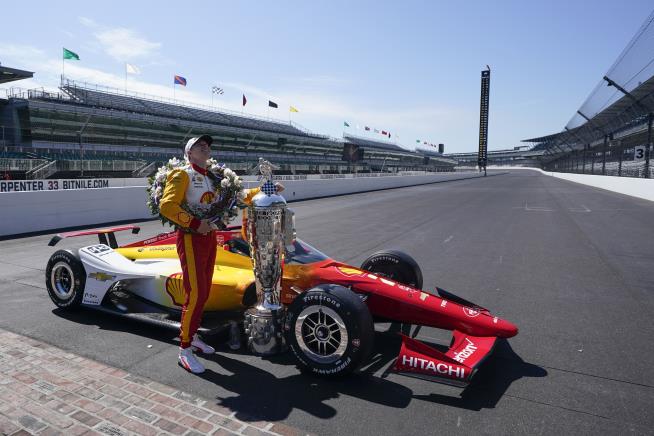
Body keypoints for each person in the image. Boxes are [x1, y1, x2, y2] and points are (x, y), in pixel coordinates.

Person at [159, 135, 281, 373]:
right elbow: (167, 205)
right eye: (199, 145)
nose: (206, 147)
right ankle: (184, 349)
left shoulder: (214, 177)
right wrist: (194, 224)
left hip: (209, 238)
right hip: (191, 238)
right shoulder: (182, 174)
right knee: (195, 294)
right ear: (189, 152)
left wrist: (267, 188)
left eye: (207, 145)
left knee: (203, 292)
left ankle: (192, 336)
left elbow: (238, 197)